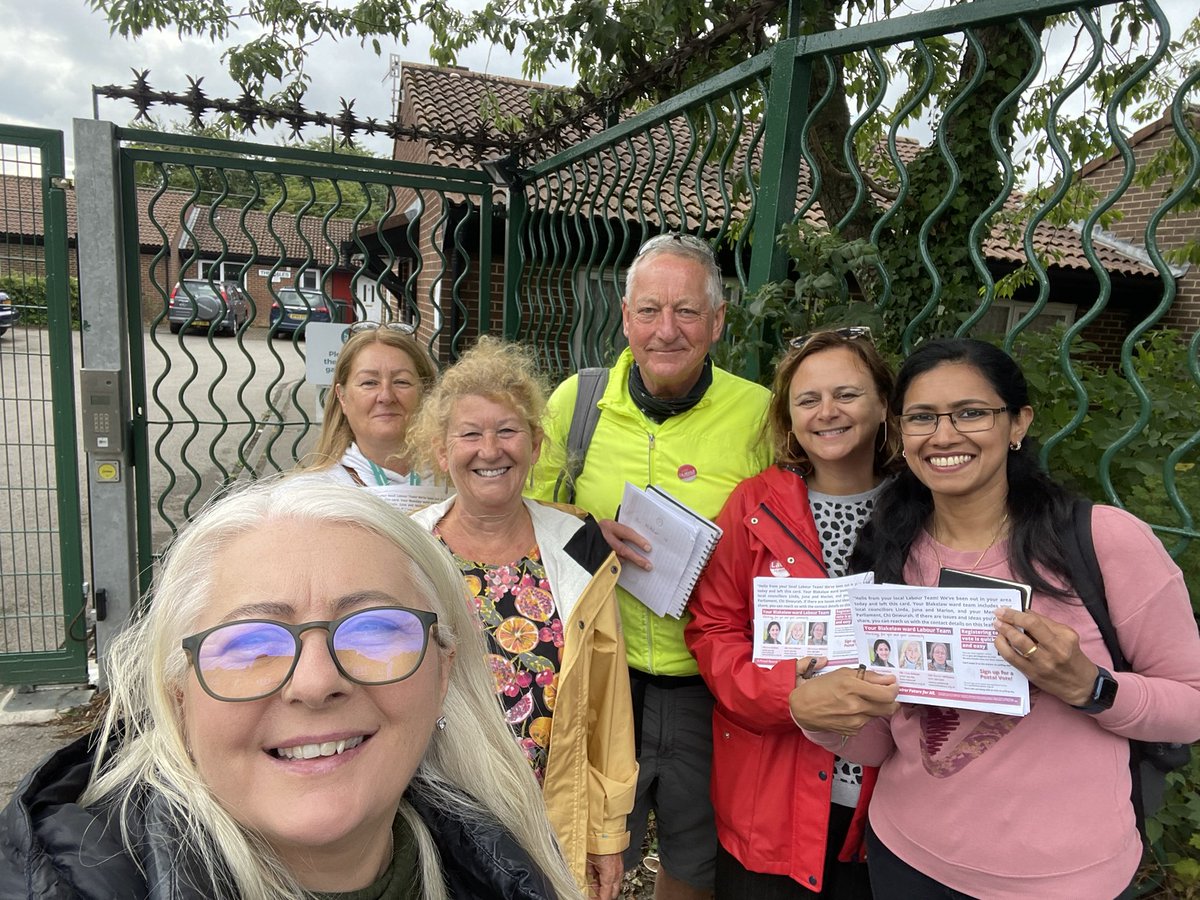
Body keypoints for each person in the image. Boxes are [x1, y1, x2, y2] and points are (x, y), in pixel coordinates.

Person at [0, 479, 580, 900]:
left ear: (443, 671)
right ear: (179, 697)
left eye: (375, 630)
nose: (317, 681)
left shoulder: (513, 866)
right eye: (251, 646)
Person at [803, 337, 1200, 898]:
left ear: (1018, 424)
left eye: (971, 413)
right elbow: (882, 743)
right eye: (921, 418)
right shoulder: (886, 551)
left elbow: (1192, 708)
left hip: (1061, 880)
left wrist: (1092, 687)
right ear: (901, 434)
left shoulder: (1103, 542)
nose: (944, 436)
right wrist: (820, 715)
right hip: (905, 855)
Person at [530, 232, 772, 900]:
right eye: (650, 311)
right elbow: (525, 526)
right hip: (601, 678)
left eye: (688, 311)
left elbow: (791, 541)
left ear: (718, 321)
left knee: (697, 858)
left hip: (709, 683)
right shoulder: (576, 404)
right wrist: (587, 536)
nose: (668, 330)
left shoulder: (760, 416)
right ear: (626, 315)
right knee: (588, 853)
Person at [407, 337, 637, 900]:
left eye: (508, 430)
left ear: (535, 444)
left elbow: (608, 703)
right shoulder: (404, 551)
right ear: (441, 452)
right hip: (436, 818)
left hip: (550, 818)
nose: (490, 449)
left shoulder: (577, 543)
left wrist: (608, 833)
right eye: (469, 434)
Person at [686, 329, 902, 898]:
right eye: (808, 400)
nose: (827, 412)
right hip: (772, 796)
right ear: (788, 415)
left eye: (847, 395)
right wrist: (791, 696)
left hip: (892, 804)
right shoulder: (754, 505)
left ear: (884, 404)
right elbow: (713, 629)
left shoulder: (925, 507)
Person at [297, 323, 439, 486]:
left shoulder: (457, 484)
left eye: (401, 382)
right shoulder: (313, 493)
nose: (386, 396)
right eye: (369, 383)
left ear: (426, 393)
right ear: (342, 397)